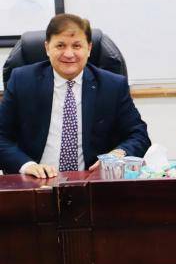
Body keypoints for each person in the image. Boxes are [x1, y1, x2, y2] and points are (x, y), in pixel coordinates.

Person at [0, 14, 151, 178]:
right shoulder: (22, 81)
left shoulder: (112, 86)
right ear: (47, 48)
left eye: (77, 46)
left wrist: (118, 154)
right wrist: (27, 166)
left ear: (89, 48)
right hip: (36, 181)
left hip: (92, 182)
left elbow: (139, 135)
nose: (69, 54)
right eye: (60, 45)